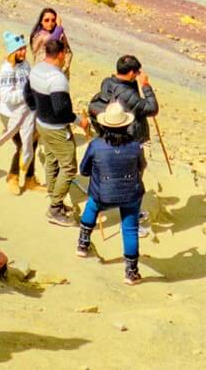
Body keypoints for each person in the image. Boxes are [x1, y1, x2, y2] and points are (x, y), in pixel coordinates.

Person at [75, 100, 149, 286]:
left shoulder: (96, 145)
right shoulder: (135, 145)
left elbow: (83, 170)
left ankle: (83, 244)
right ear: (126, 125)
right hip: (130, 194)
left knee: (92, 207)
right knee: (130, 229)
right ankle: (131, 273)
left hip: (103, 192)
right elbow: (142, 167)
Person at [26, 33, 80, 227]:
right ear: (60, 55)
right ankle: (55, 208)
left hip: (42, 123)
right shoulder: (58, 79)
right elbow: (62, 109)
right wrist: (79, 121)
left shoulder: (36, 69)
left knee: (51, 159)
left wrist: (39, 110)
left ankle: (54, 194)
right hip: (57, 128)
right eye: (65, 54)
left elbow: (28, 95)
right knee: (69, 166)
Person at [0, 32, 37, 194]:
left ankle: (30, 179)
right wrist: (27, 94)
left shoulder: (25, 65)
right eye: (19, 50)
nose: (23, 52)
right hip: (11, 114)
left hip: (26, 111)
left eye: (24, 49)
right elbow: (7, 96)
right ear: (12, 52)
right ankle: (13, 176)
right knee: (22, 144)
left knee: (33, 143)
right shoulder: (6, 71)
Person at [87, 54, 158, 142]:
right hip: (127, 136)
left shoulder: (107, 82)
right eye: (136, 72)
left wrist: (132, 82)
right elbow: (152, 109)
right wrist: (145, 85)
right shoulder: (127, 94)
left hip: (109, 127)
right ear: (131, 72)